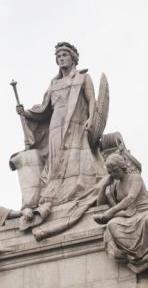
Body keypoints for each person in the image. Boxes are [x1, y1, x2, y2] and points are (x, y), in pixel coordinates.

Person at [16, 42, 106, 221]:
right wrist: (25, 113)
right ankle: (57, 192)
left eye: (64, 55)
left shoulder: (82, 78)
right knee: (57, 158)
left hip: (77, 122)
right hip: (56, 125)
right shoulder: (54, 83)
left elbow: (92, 100)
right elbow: (44, 109)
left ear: (73, 58)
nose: (61, 59)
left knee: (75, 157)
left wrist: (91, 119)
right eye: (58, 56)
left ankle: (76, 190)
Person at [93, 153, 148, 273]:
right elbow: (100, 203)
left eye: (115, 170)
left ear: (122, 167)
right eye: (110, 172)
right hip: (129, 215)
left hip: (146, 209)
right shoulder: (115, 185)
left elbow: (131, 198)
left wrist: (111, 211)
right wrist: (104, 185)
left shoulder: (135, 177)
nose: (113, 174)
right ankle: (135, 257)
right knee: (112, 225)